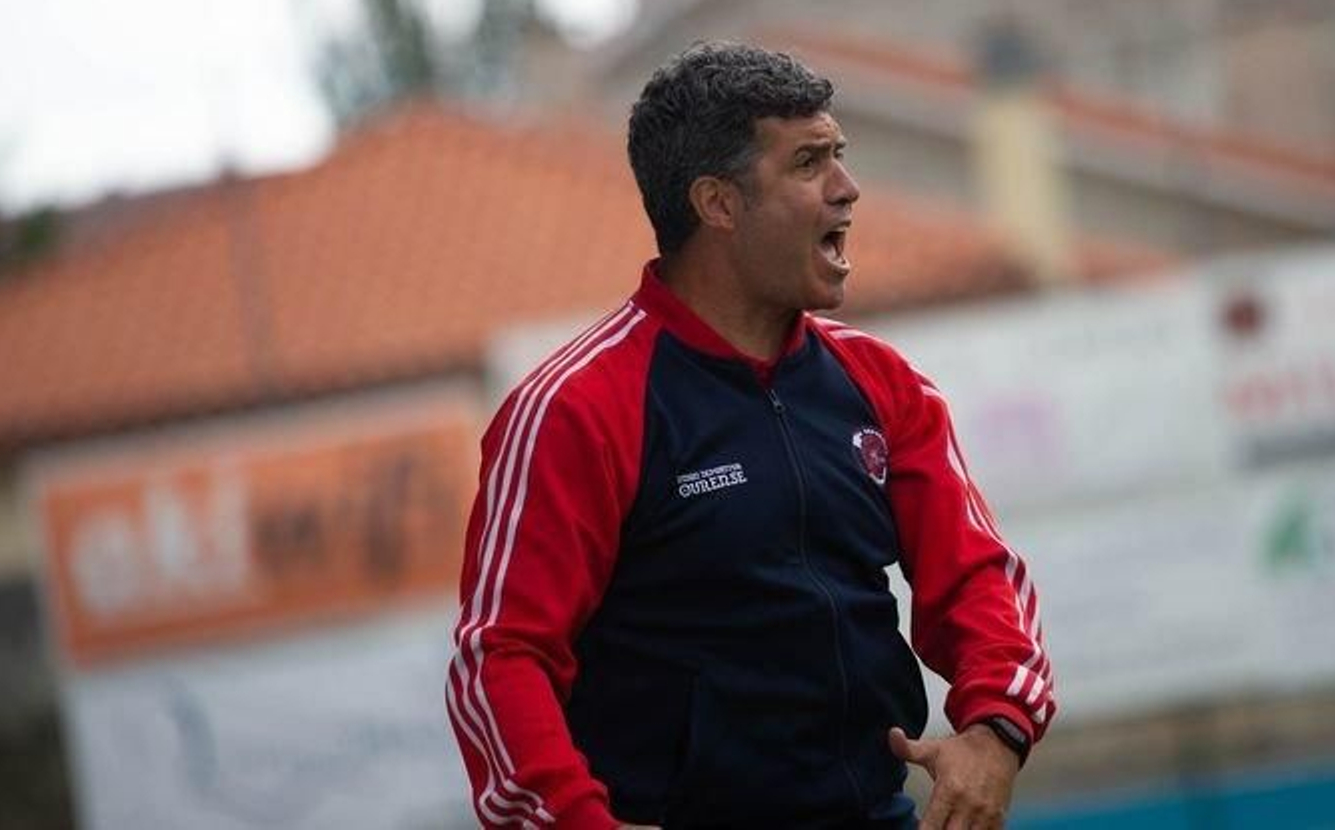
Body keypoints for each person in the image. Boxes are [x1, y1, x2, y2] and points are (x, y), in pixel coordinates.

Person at [446, 42, 1055, 829]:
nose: (848, 188)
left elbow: (978, 575)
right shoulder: (575, 409)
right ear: (718, 204)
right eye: (808, 164)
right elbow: (501, 655)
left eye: (839, 155)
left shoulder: (885, 384)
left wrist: (997, 729)